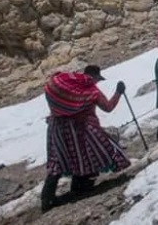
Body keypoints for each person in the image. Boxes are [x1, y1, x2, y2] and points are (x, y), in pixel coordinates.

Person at [41, 65, 130, 212]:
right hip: (82, 128)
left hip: (58, 127)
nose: (97, 82)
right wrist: (118, 92)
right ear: (95, 77)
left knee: (58, 160)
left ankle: (47, 198)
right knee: (88, 155)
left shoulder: (67, 85)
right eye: (97, 79)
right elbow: (108, 107)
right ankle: (81, 186)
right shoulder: (91, 90)